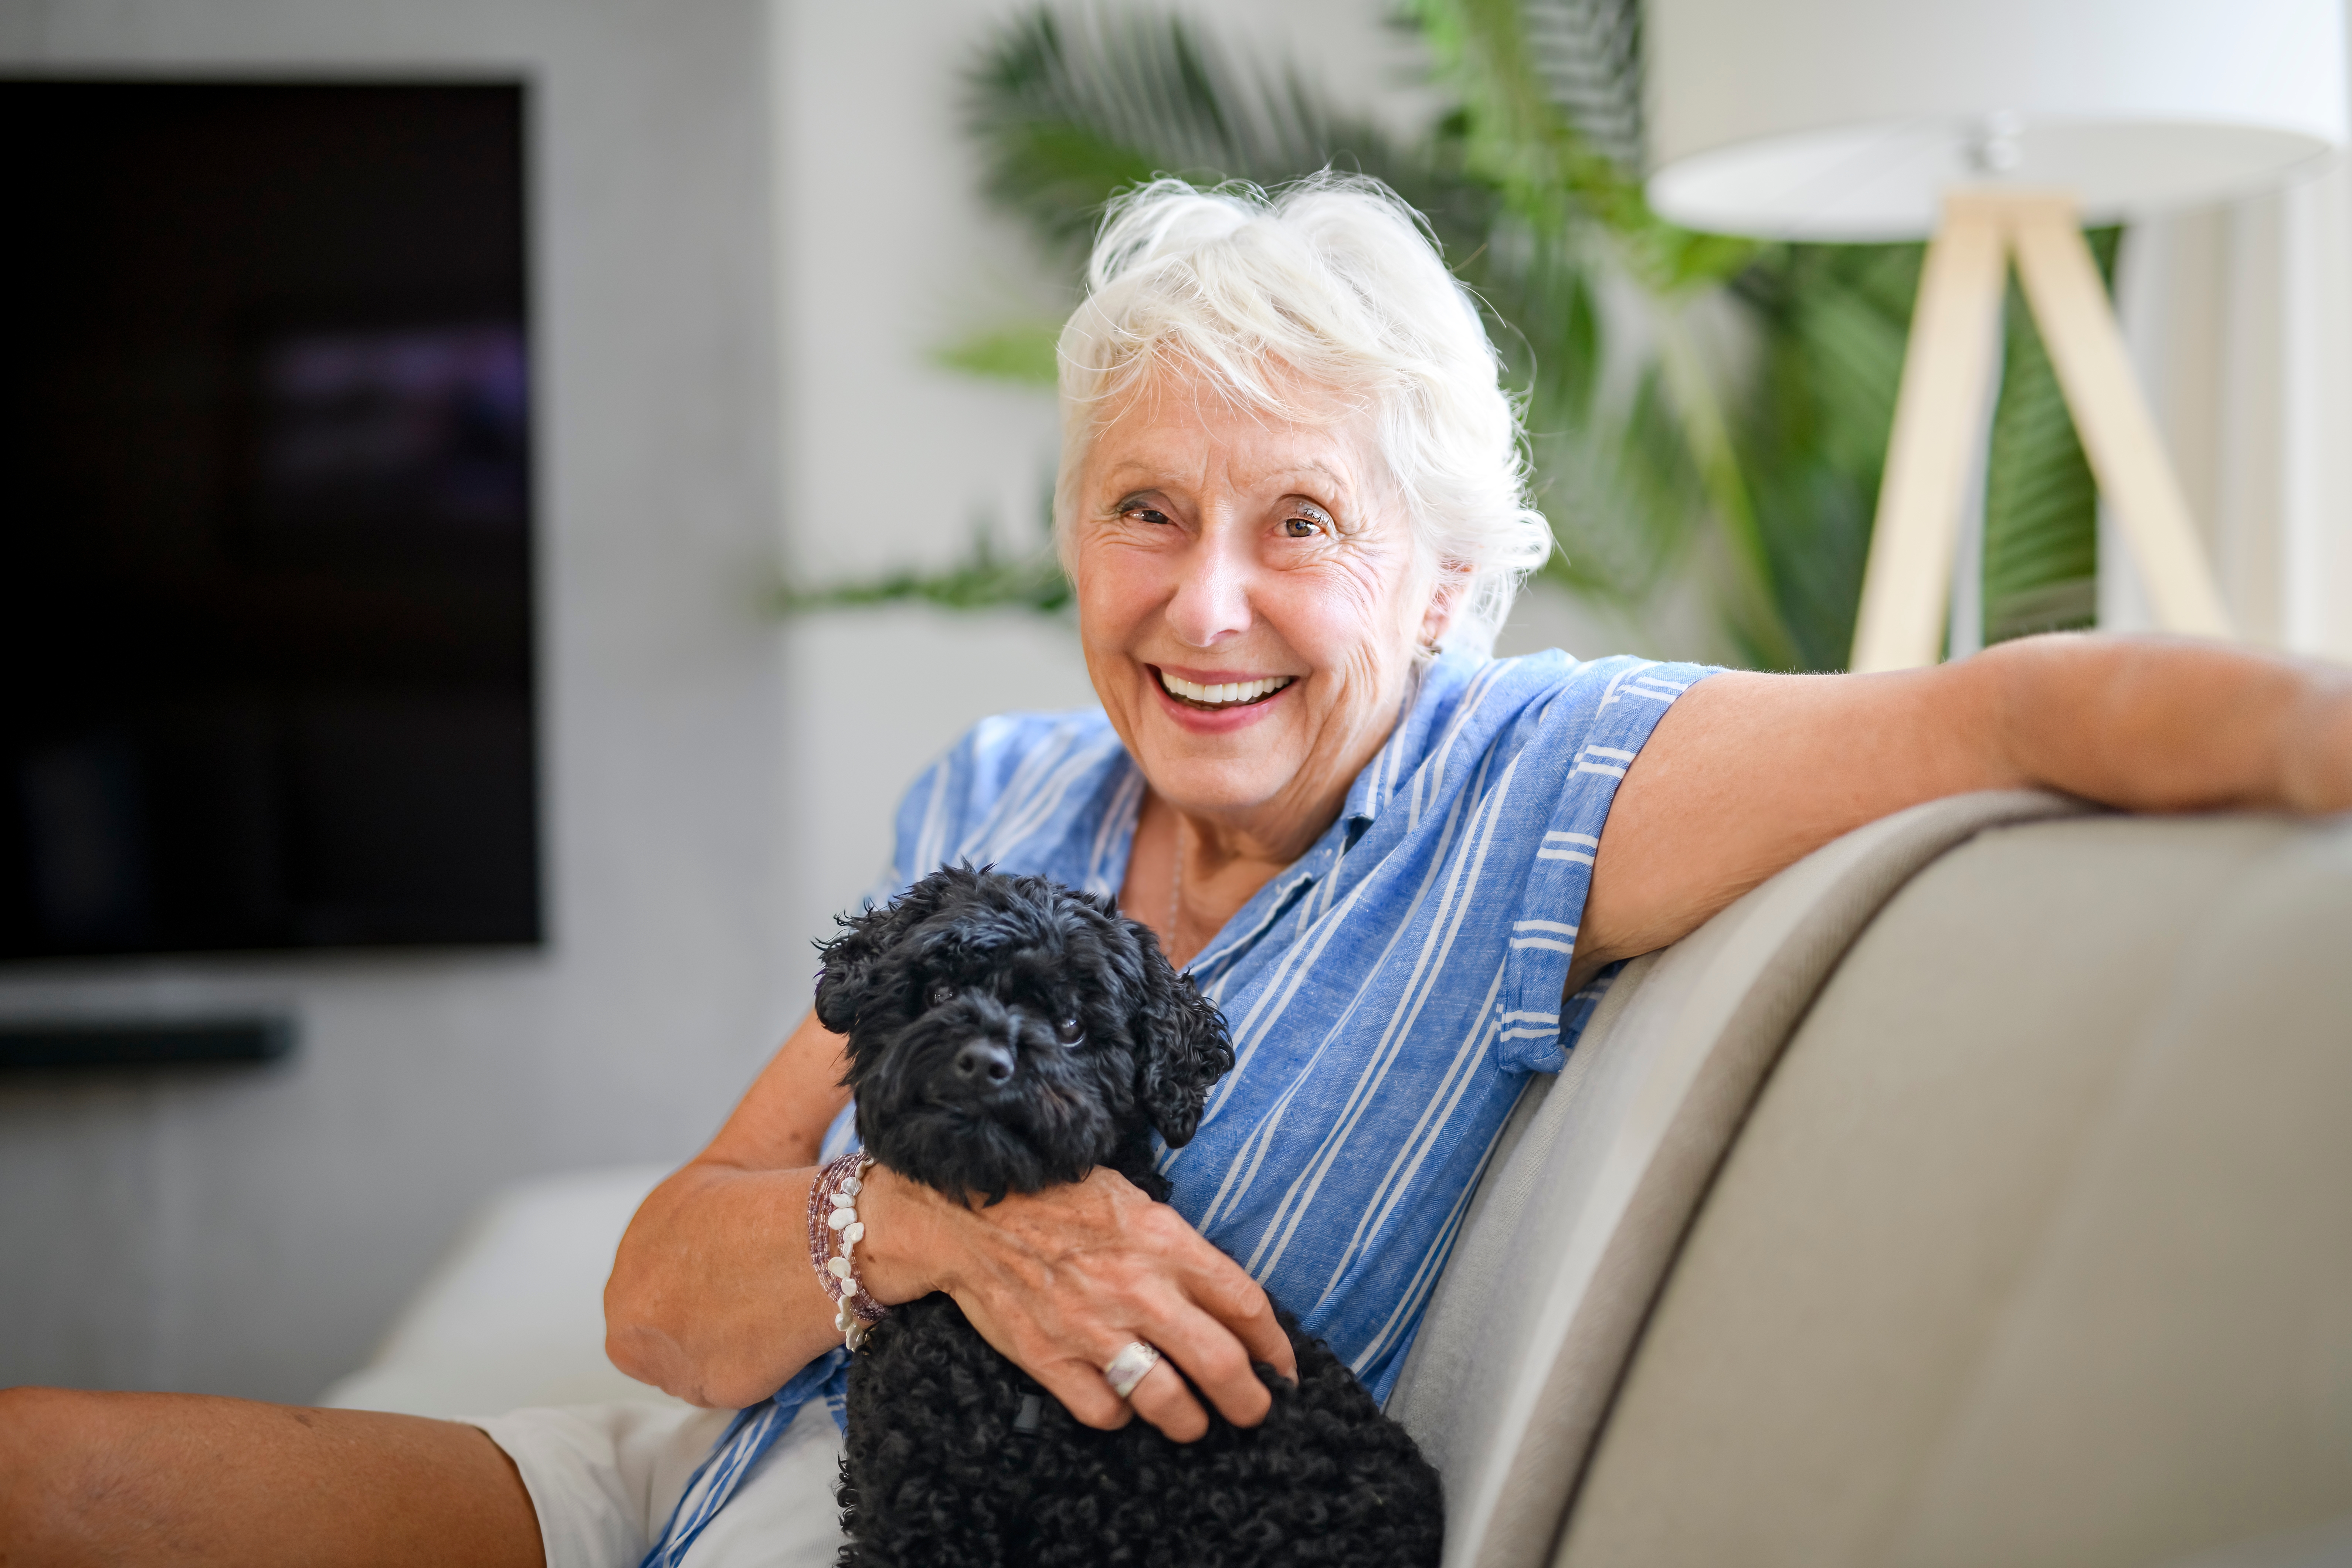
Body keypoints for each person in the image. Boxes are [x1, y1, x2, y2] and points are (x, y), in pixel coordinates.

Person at [4, 174, 2348, 1568]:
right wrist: (933, 1232)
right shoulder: (1001, 799)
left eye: (1298, 523)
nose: (1203, 604)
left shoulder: (1534, 787)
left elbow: (2017, 706)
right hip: (701, 1471)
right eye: (1148, 511)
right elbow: (665, 1278)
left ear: (1440, 583)